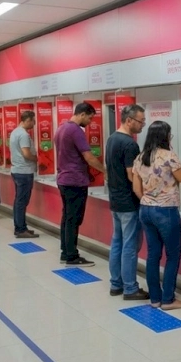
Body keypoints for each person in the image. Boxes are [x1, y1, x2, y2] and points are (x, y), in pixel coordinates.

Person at [132, 121, 181, 310]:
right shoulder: (169, 156)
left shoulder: (140, 158)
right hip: (166, 211)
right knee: (173, 255)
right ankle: (168, 299)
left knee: (153, 255)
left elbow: (136, 188)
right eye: (169, 135)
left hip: (145, 210)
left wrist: (149, 201)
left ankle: (155, 299)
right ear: (164, 136)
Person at [54, 102, 105, 267]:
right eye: (89, 118)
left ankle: (65, 252)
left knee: (67, 218)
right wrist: (106, 171)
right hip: (75, 181)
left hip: (64, 179)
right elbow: (89, 157)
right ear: (82, 114)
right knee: (74, 219)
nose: (90, 122)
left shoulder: (61, 128)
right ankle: (72, 256)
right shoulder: (76, 130)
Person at [107, 104, 148, 301]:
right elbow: (133, 176)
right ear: (129, 120)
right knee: (130, 246)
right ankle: (130, 288)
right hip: (129, 202)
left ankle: (116, 284)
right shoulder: (130, 145)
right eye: (141, 121)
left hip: (115, 199)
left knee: (117, 242)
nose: (142, 125)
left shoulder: (112, 139)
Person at [9, 110, 39, 239]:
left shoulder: (15, 132)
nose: (34, 123)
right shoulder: (23, 135)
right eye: (33, 121)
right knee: (21, 202)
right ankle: (21, 229)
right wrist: (37, 159)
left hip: (17, 170)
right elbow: (26, 154)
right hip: (24, 171)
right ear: (28, 120)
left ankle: (21, 227)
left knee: (19, 201)